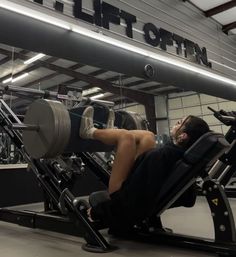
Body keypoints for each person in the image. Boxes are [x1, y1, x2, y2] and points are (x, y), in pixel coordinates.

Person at [79, 106, 210, 230]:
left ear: (183, 136)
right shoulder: (180, 153)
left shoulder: (162, 156)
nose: (176, 123)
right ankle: (109, 132)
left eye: (180, 123)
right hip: (134, 187)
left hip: (121, 194)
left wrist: (100, 211)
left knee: (125, 136)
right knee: (148, 136)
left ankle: (89, 132)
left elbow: (135, 200)